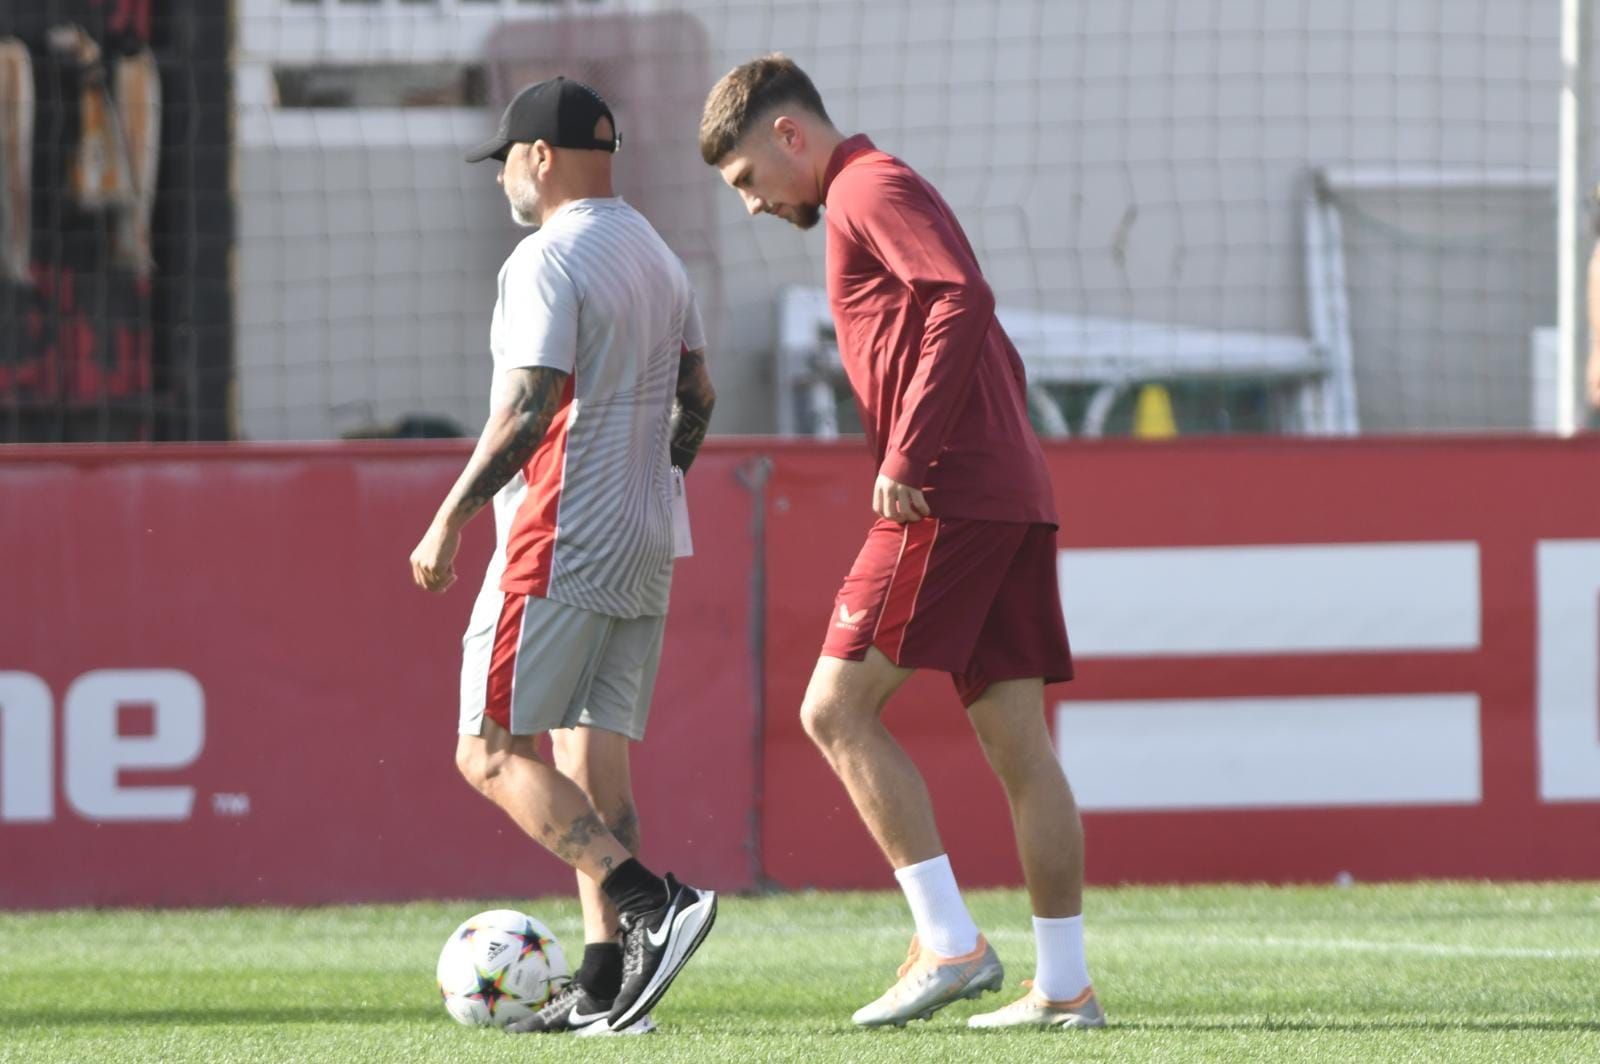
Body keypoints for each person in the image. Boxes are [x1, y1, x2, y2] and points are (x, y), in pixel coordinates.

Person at [698, 55, 1103, 1030]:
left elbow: (959, 293)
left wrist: (911, 450)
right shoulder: (873, 190)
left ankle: (949, 941)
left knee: (832, 708)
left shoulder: (864, 187)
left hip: (948, 489)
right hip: (1006, 488)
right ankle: (1063, 985)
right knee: (1019, 745)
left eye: (750, 180)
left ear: (789, 135)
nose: (752, 205)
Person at [409, 76, 719, 1037]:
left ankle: (649, 902)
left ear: (540, 157)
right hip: (644, 537)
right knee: (590, 761)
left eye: (506, 157)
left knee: (487, 751)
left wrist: (451, 516)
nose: (502, 176)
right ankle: (606, 985)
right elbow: (698, 394)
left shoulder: (545, 257)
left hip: (556, 538)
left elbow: (532, 399)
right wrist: (651, 482)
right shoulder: (657, 252)